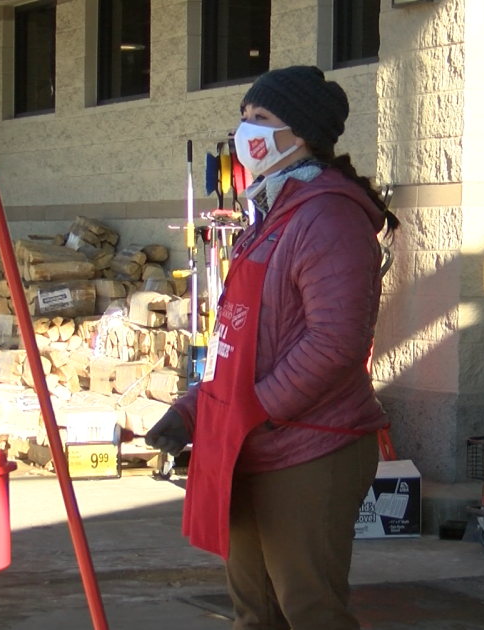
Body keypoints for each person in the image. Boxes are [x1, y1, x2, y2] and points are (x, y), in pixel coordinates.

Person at [145, 65, 399, 630]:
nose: (245, 131)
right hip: (252, 445)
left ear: (302, 133)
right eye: (243, 118)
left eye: (260, 119)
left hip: (311, 448)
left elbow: (335, 345)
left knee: (308, 611)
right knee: (254, 611)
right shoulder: (271, 214)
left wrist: (253, 411)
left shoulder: (329, 217)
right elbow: (244, 342)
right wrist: (194, 413)